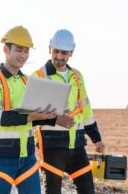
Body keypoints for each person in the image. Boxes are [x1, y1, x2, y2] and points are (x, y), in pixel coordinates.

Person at [0, 25, 57, 194]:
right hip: (1, 156)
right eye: (19, 50)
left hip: (27, 156)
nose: (23, 55)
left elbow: (32, 117)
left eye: (26, 51)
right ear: (6, 49)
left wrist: (52, 117)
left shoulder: (27, 82)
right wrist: (30, 117)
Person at [32, 29, 105, 194]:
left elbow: (85, 108)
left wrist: (96, 138)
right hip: (52, 148)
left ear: (71, 52)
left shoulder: (77, 76)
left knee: (88, 191)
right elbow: (30, 117)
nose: (59, 56)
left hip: (77, 146)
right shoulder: (38, 76)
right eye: (56, 51)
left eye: (64, 53)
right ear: (49, 48)